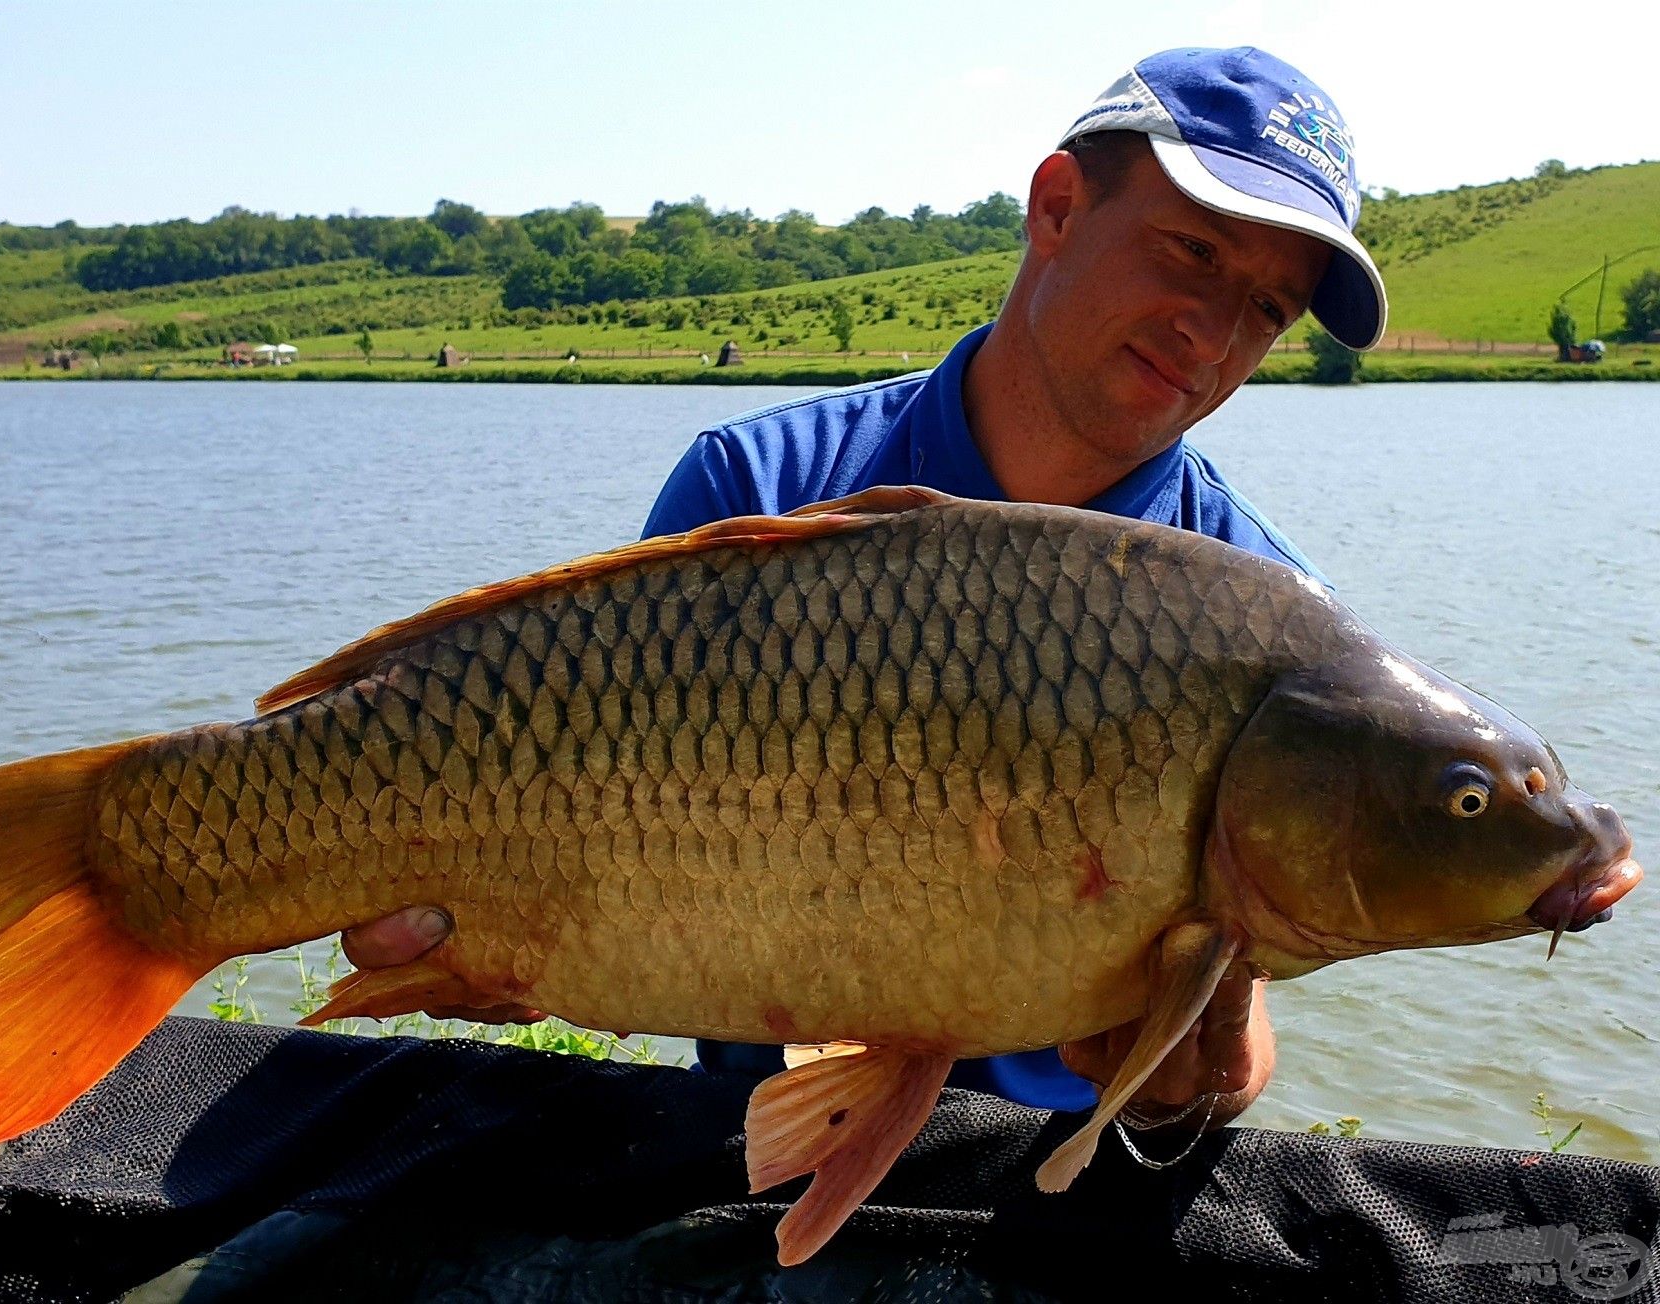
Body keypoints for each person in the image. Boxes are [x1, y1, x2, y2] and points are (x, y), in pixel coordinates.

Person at [334, 46, 1386, 1142]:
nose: (1213, 332)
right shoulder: (762, 488)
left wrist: (1204, 1074)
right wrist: (504, 948)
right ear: (1060, 208)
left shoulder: (1265, 615)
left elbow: (1238, 1008)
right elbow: (594, 830)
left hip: (1046, 1180)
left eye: (1266, 306)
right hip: (738, 1139)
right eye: (1195, 250)